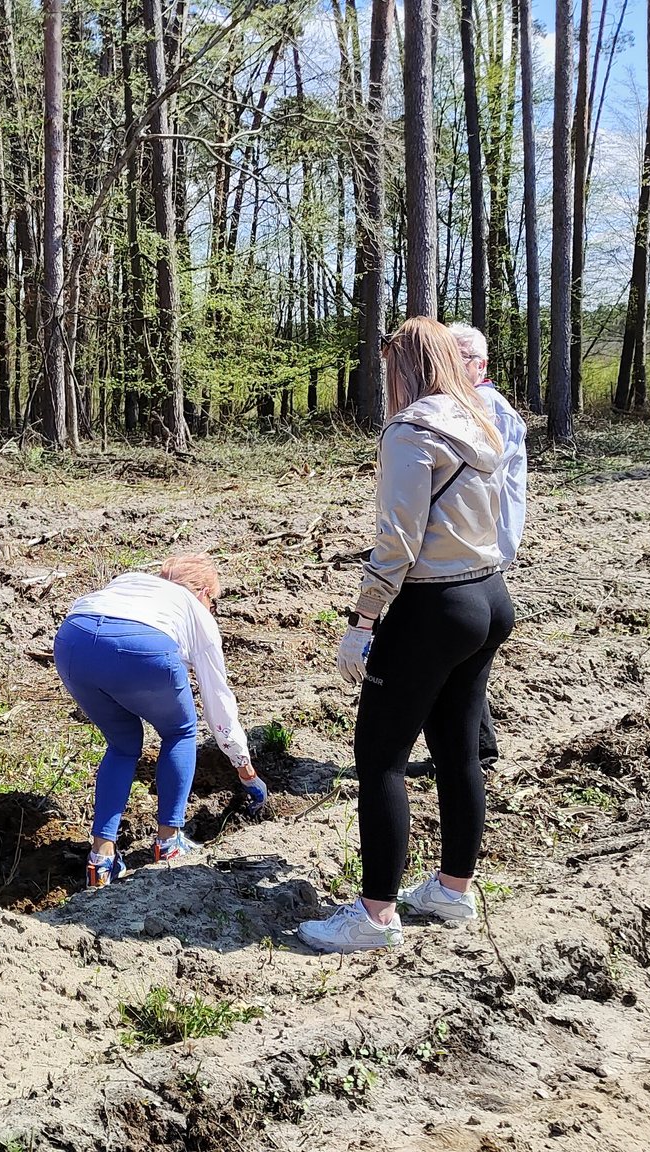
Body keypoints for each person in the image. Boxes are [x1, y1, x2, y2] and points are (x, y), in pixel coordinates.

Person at [297, 317, 515, 953]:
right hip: (488, 596)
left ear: (405, 367)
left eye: (388, 368)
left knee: (381, 754)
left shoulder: (411, 430)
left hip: (431, 607)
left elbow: (397, 540)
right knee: (457, 747)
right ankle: (452, 891)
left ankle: (375, 914)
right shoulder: (481, 420)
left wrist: (363, 620)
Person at [52, 554, 265, 889]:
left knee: (123, 746)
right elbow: (219, 702)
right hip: (143, 646)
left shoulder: (130, 580)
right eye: (214, 601)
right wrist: (244, 767)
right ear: (204, 593)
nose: (213, 609)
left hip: (73, 641)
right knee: (179, 731)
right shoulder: (196, 612)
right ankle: (168, 842)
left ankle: (101, 859)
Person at [449, 322, 526, 775]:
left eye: (463, 358)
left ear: (482, 364)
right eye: (449, 356)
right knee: (462, 661)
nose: (454, 367)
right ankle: (474, 752)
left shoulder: (488, 409)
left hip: (480, 553)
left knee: (463, 661)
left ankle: (476, 755)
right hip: (474, 550)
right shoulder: (467, 406)